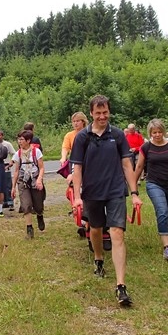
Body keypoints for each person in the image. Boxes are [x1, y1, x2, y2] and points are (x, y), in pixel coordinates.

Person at [70, 95, 142, 306]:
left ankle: (121, 286)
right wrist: (76, 197)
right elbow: (77, 168)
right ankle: (99, 258)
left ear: (109, 112)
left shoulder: (118, 135)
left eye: (105, 112)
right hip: (92, 192)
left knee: (117, 232)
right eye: (98, 113)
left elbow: (127, 166)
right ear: (91, 113)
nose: (102, 116)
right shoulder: (82, 137)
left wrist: (135, 192)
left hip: (115, 191)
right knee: (95, 229)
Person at [134, 119, 168, 260]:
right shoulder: (146, 147)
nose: (157, 135)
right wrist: (133, 187)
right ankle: (167, 247)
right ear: (150, 133)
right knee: (162, 211)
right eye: (154, 132)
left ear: (163, 131)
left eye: (159, 132)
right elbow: (139, 167)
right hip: (153, 183)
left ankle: (167, 231)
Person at [11, 130, 45, 239]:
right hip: (23, 181)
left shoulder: (36, 152)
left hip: (35, 179)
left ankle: (40, 215)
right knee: (26, 205)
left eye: (21, 139)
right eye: (18, 139)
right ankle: (29, 229)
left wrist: (39, 179)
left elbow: (41, 167)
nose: (19, 141)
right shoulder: (18, 154)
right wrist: (13, 187)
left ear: (28, 140)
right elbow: (16, 171)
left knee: (38, 205)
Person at [0, 130, 16, 210]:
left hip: (6, 166)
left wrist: (12, 161)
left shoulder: (7, 144)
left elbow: (14, 153)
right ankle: (4, 202)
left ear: (2, 136)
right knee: (0, 185)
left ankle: (10, 202)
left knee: (8, 185)